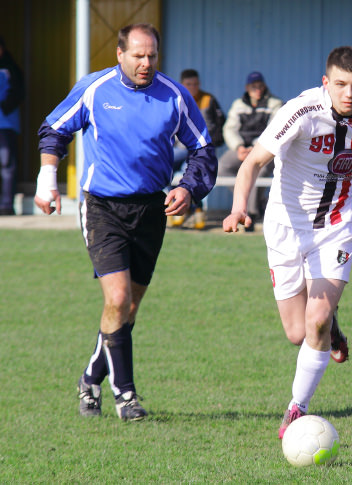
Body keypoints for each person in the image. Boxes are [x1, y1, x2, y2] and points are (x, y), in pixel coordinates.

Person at [221, 46, 352, 439]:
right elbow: (252, 162)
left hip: (336, 226)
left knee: (317, 320)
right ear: (326, 82)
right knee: (298, 333)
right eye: (341, 84)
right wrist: (238, 208)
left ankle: (297, 408)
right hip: (286, 226)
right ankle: (331, 328)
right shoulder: (301, 111)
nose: (350, 93)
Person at [34, 23, 217, 420]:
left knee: (127, 310)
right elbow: (54, 130)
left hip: (152, 210)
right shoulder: (95, 89)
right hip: (102, 207)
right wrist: (47, 180)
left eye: (152, 55)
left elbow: (203, 149)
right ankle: (126, 395)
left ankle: (89, 378)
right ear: (120, 55)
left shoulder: (174, 95)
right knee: (116, 299)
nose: (146, 63)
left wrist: (188, 189)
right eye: (138, 55)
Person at [219, 71, 283, 225]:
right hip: (241, 149)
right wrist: (239, 146)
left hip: (263, 149)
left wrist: (255, 148)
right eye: (254, 87)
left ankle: (251, 215)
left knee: (260, 171)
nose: (258, 90)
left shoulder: (275, 104)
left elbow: (273, 130)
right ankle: (249, 204)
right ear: (247, 88)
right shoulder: (238, 105)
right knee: (221, 168)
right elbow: (229, 129)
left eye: (260, 86)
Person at [170, 68, 226, 229]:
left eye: (195, 84)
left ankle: (198, 210)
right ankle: (177, 207)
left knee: (196, 171)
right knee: (166, 166)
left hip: (200, 147)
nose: (192, 87)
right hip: (180, 147)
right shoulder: (176, 99)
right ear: (182, 84)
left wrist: (211, 142)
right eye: (189, 84)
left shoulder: (208, 99)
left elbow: (220, 122)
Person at [0, 36, 24, 216]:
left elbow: (18, 93)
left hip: (5, 125)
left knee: (6, 164)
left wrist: (5, 106)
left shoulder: (11, 70)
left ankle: (7, 205)